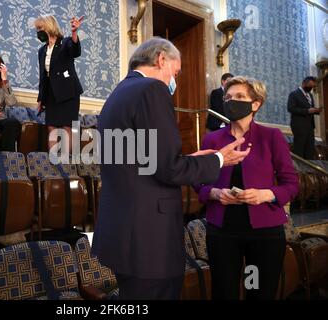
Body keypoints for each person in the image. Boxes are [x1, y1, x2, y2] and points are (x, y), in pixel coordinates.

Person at [91, 37, 251, 300]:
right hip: (149, 238)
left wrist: (190, 158)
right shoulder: (152, 89)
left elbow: (145, 162)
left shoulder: (117, 95)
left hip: (123, 233)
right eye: (175, 73)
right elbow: (169, 169)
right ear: (161, 59)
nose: (174, 82)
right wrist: (219, 159)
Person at [196, 76, 299, 300]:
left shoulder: (271, 137)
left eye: (240, 96)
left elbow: (291, 184)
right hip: (223, 231)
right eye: (228, 97)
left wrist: (265, 194)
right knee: (224, 292)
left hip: (264, 233)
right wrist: (214, 193)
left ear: (255, 104)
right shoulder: (211, 139)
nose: (232, 101)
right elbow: (200, 182)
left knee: (257, 292)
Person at [34, 15, 83, 153]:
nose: (38, 31)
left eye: (40, 28)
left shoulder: (65, 42)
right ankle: (54, 165)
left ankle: (66, 165)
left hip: (69, 93)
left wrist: (74, 32)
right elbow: (43, 77)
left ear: (50, 27)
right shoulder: (42, 50)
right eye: (37, 29)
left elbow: (75, 51)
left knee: (67, 127)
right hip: (51, 94)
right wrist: (40, 99)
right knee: (51, 127)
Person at [287, 76, 321, 159]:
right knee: (299, 149)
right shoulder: (294, 94)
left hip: (310, 126)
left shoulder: (310, 95)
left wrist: (316, 111)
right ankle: (299, 170)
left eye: (313, 86)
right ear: (304, 83)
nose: (311, 88)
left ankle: (309, 170)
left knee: (310, 149)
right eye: (310, 85)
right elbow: (291, 108)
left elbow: (309, 108)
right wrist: (307, 111)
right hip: (299, 125)